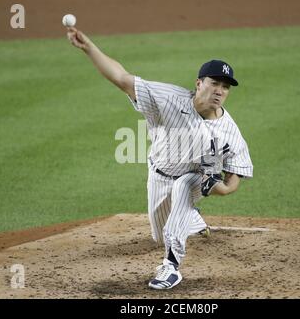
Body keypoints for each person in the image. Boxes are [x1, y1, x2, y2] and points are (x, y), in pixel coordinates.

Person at [66, 27, 253, 290]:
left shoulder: (230, 133)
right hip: (158, 174)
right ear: (199, 83)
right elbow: (121, 77)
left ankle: (171, 268)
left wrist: (219, 188)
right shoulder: (168, 99)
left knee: (183, 187)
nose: (219, 91)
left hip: (193, 178)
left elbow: (234, 180)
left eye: (225, 87)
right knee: (158, 233)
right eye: (214, 83)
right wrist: (88, 47)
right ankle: (192, 217)